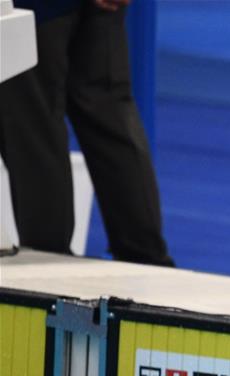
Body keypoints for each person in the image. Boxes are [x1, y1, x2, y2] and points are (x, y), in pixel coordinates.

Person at [0, 0, 174, 265]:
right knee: (110, 116)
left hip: (32, 9)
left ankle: (48, 266)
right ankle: (148, 260)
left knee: (36, 132)